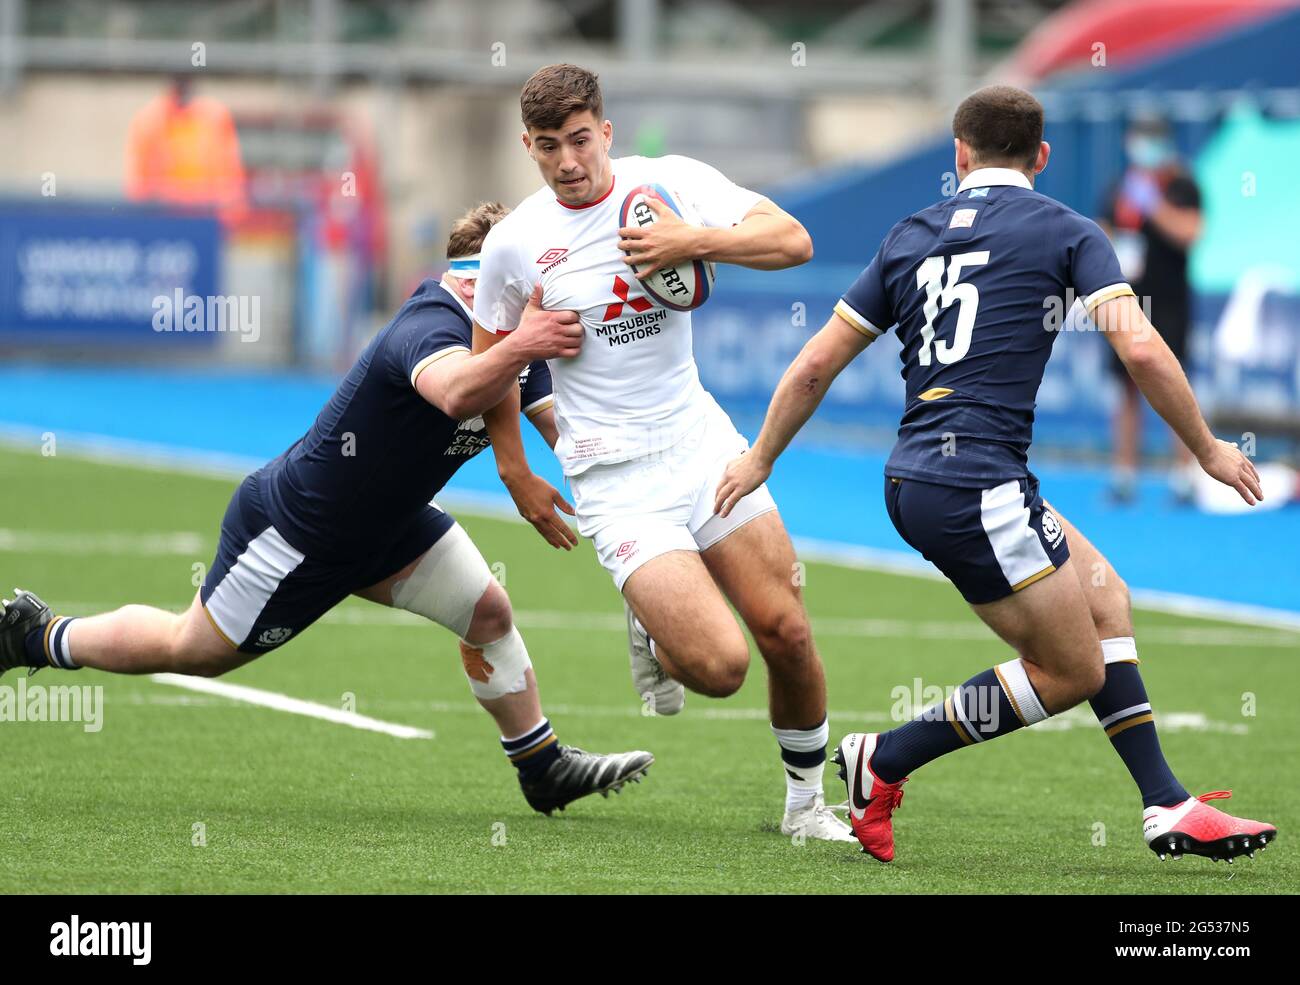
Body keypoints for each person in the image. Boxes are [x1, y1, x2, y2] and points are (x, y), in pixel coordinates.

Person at [715, 85, 1276, 864]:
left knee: (1106, 597)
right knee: (1071, 669)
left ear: (959, 155)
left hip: (923, 478)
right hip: (977, 485)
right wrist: (1208, 447)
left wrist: (760, 456)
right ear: (1041, 156)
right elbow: (1141, 348)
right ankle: (886, 757)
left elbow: (815, 364)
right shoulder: (1066, 230)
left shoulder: (910, 234)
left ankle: (1165, 802)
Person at [0, 202, 652, 816]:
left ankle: (541, 766)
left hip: (392, 527)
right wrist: (523, 345)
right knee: (191, 646)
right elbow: (455, 391)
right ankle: (36, 633)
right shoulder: (428, 325)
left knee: (489, 612)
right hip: (297, 531)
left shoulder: (510, 337)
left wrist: (642, 545)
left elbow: (573, 437)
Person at [470, 64, 851, 841]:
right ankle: (651, 620)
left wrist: (693, 239)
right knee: (719, 667)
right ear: (528, 148)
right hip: (614, 476)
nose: (569, 161)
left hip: (699, 441)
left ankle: (807, 805)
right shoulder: (515, 243)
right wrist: (515, 472)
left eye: (580, 140)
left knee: (788, 629)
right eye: (549, 148)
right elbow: (486, 359)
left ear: (606, 131)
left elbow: (794, 241)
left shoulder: (668, 184)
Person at [1099, 115, 1204, 503]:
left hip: (1170, 302)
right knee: (1125, 387)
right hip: (1126, 301)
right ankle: (1124, 476)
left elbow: (1190, 232)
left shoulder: (1182, 185)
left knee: (1174, 383)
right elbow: (1102, 233)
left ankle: (1184, 476)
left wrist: (1154, 206)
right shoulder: (1119, 187)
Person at [125, 75, 249, 227]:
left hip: (208, 218)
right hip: (164, 219)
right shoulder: (149, 120)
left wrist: (231, 213)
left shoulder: (215, 117)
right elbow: (140, 180)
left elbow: (229, 172)